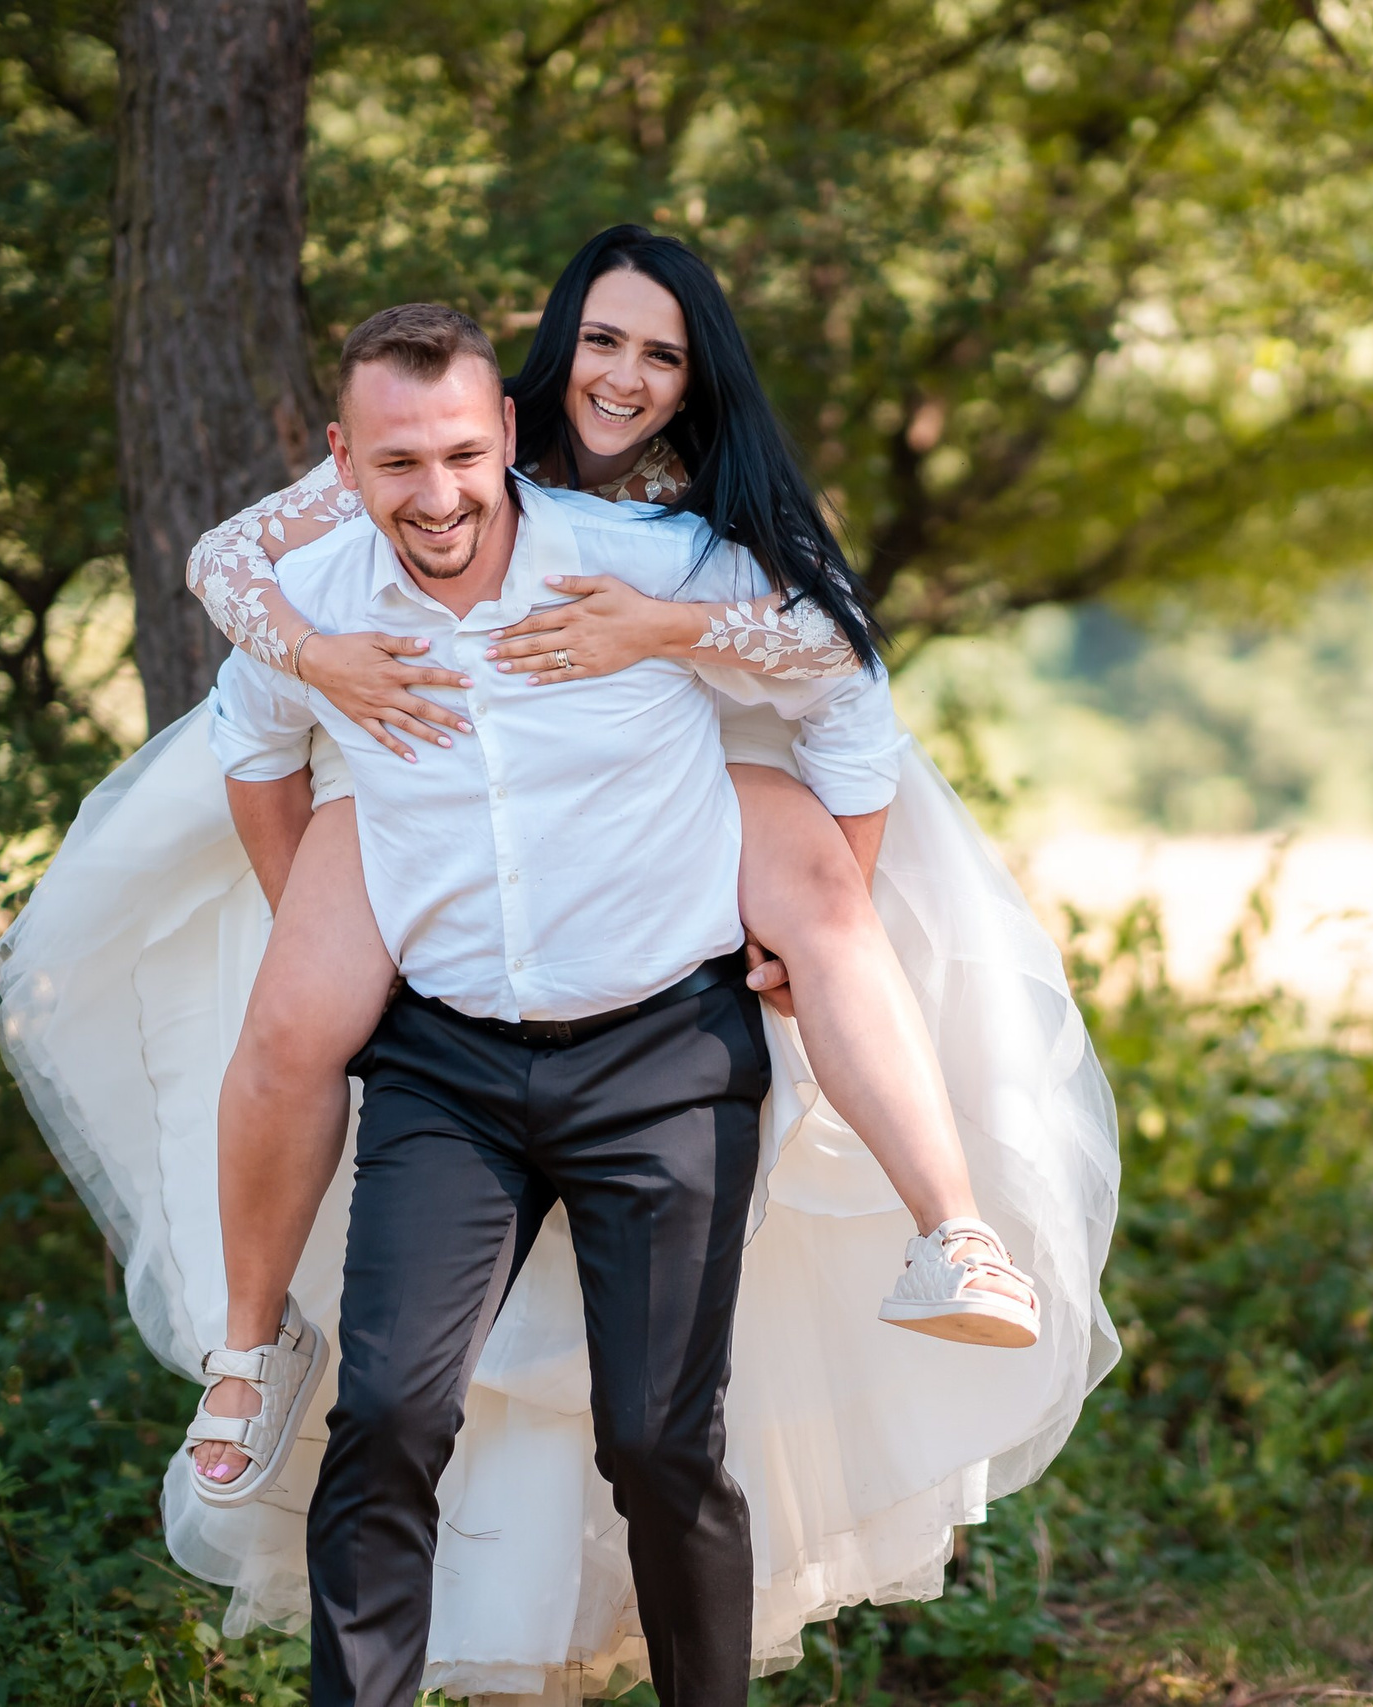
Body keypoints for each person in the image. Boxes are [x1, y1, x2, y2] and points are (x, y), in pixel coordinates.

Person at [0, 286, 1119, 1699]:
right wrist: (322, 917)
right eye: (398, 463)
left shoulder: (645, 560)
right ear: (344, 464)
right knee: (389, 1416)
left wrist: (813, 855)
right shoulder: (320, 601)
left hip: (663, 1060)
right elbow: (255, 742)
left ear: (506, 436)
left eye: (462, 454)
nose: (437, 491)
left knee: (660, 1442)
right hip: (446, 1073)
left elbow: (839, 676)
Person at [182, 227, 1037, 1508]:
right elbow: (221, 562)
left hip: (671, 776)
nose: (624, 378)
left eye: (661, 354)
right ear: (554, 345)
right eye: (600, 340)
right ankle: (250, 1347)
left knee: (820, 902)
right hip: (426, 764)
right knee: (293, 1017)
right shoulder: (460, 430)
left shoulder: (707, 493)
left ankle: (954, 1233)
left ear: (699, 379)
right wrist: (318, 658)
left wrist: (667, 631)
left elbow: (836, 658)